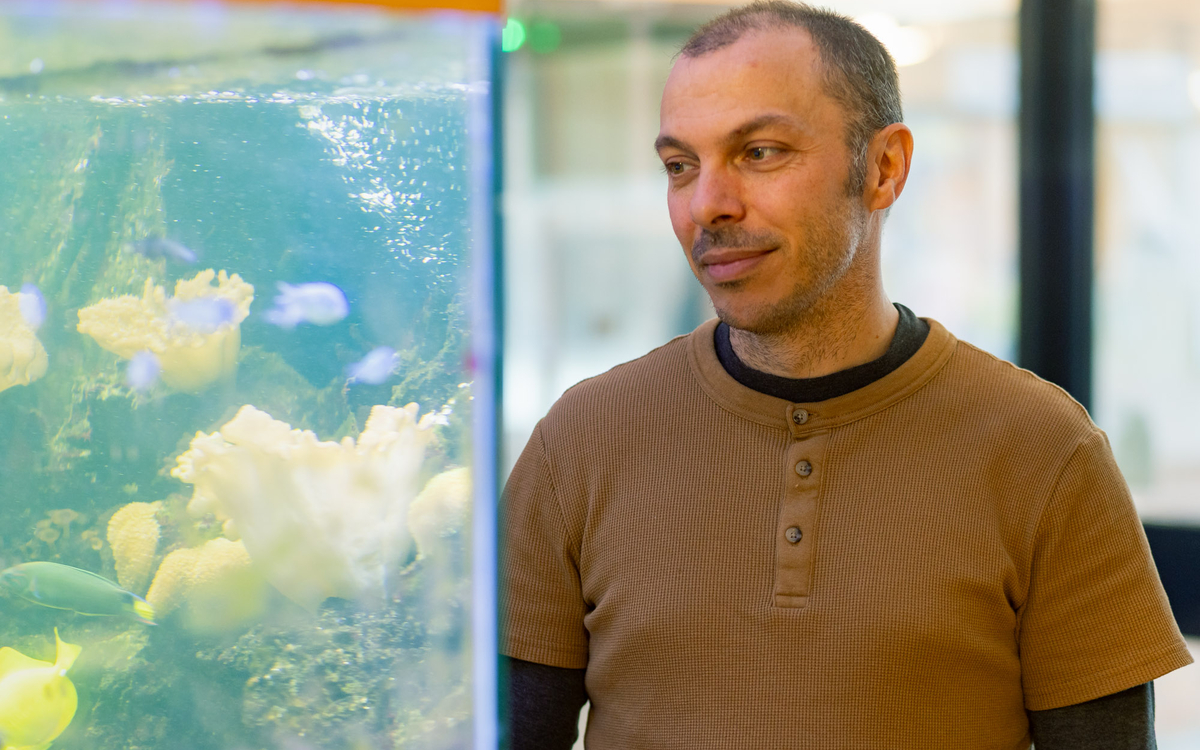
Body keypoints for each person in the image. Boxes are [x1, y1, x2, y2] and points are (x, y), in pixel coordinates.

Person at [500, 2, 1193, 748]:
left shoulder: (1044, 450)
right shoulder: (582, 437)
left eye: (759, 152)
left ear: (884, 167)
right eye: (680, 166)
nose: (709, 204)